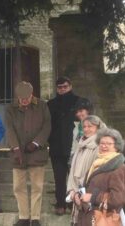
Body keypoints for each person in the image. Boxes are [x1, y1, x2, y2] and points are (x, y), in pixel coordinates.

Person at [6, 81, 51, 226]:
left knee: (37, 187)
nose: (24, 101)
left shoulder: (42, 105)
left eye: (26, 98)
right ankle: (24, 217)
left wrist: (37, 143)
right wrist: (16, 149)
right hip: (18, 155)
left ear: (32, 94)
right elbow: (9, 129)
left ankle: (35, 217)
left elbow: (47, 126)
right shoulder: (10, 109)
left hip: (37, 153)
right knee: (18, 187)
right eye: (21, 98)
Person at [75, 128, 125, 226]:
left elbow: (118, 198)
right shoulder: (98, 163)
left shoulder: (118, 167)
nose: (104, 146)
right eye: (101, 143)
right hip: (89, 217)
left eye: (108, 144)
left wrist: (93, 197)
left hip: (103, 219)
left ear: (117, 146)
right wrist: (79, 196)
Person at [47, 76, 80, 215]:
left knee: (75, 177)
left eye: (65, 86)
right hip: (56, 146)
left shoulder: (79, 101)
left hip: (74, 146)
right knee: (59, 178)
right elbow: (47, 124)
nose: (62, 89)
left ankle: (75, 203)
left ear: (70, 86)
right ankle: (61, 203)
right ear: (57, 88)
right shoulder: (50, 104)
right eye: (60, 87)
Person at [66, 115, 106, 225]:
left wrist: (83, 193)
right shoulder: (81, 144)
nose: (86, 129)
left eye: (90, 126)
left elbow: (96, 172)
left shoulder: (99, 146)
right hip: (77, 192)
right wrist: (72, 191)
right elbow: (73, 170)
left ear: (98, 128)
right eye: (84, 127)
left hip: (89, 193)